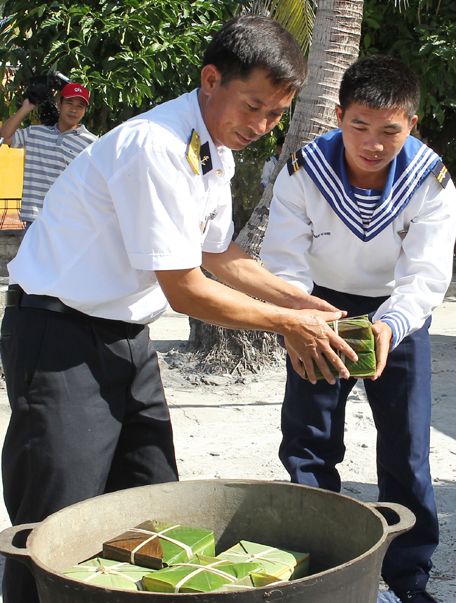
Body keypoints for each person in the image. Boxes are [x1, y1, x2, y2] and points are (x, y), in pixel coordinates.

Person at [0, 16, 357, 603]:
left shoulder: (214, 151)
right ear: (211, 79)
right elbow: (184, 289)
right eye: (254, 107)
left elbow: (217, 251)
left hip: (127, 342)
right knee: (53, 522)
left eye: (275, 115)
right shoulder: (156, 146)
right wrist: (288, 324)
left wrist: (296, 298)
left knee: (154, 504)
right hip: (57, 335)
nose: (262, 127)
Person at [261, 55, 456, 603]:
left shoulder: (430, 180)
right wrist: (303, 315)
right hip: (317, 305)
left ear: (411, 124)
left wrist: (390, 325)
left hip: (399, 312)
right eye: (359, 126)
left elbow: (425, 276)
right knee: (309, 440)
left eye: (390, 131)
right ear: (340, 116)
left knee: (406, 448)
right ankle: (322, 566)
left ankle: (406, 577)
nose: (372, 143)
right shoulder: (304, 170)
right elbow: (283, 259)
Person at [0, 82, 97, 228]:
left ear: (84, 111)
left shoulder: (91, 143)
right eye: (69, 103)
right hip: (35, 221)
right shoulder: (35, 133)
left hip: (69, 222)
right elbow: (5, 136)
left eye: (80, 106)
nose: (74, 110)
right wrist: (26, 108)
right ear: (59, 103)